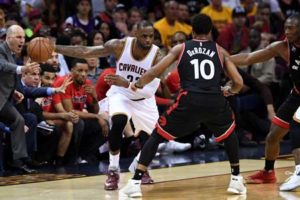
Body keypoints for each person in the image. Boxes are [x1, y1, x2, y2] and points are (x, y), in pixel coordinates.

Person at [119, 14, 246, 198]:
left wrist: (137, 84)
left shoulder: (181, 47)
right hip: (214, 99)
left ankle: (135, 182)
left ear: (191, 31)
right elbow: (239, 82)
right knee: (229, 133)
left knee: (157, 135)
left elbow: (156, 71)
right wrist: (228, 90)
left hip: (190, 99)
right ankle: (235, 179)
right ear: (210, 31)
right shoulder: (219, 50)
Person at [54, 20, 162, 190]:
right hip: (121, 94)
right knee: (118, 121)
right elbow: (85, 50)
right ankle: (113, 170)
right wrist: (55, 47)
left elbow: (149, 91)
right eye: (144, 36)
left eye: (151, 36)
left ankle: (140, 167)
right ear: (136, 34)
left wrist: (125, 83)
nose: (148, 40)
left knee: (152, 141)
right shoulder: (120, 46)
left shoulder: (158, 56)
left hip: (144, 100)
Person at [230, 13, 300, 191]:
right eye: (285, 27)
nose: (286, 31)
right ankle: (268, 172)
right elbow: (248, 58)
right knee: (273, 136)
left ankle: (299, 171)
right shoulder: (282, 47)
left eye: (291, 28)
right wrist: (224, 59)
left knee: (297, 127)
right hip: (297, 95)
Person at [0, 25, 39, 173]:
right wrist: (22, 69)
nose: (22, 40)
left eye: (23, 37)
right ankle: (16, 161)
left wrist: (14, 92)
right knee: (18, 121)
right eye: (18, 37)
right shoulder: (1, 50)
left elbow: (5, 78)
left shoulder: (11, 53)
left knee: (19, 120)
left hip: (4, 98)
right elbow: (3, 67)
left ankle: (18, 160)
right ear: (8, 37)